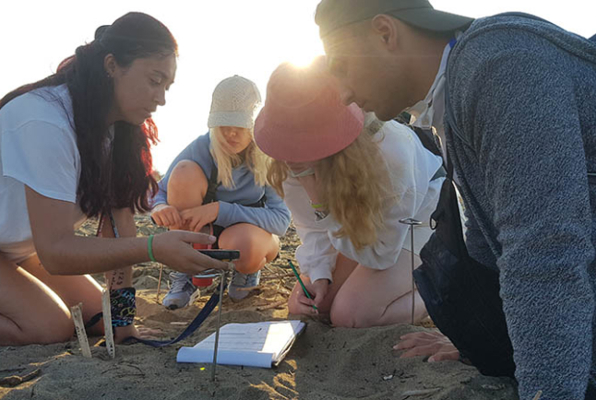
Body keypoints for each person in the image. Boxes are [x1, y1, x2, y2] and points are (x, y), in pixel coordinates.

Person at [314, 0, 596, 398]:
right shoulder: (454, 94)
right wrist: (479, 343)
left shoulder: (501, 68)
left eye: (341, 65)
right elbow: (493, 245)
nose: (342, 93)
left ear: (384, 33)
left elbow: (545, 255)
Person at [0, 12, 230, 346]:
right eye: (154, 80)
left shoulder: (115, 132)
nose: (162, 98)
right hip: (29, 249)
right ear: (111, 65)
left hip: (15, 251)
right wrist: (153, 249)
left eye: (167, 86)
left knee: (100, 318)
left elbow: (120, 228)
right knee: (50, 328)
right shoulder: (46, 120)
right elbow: (55, 251)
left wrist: (123, 324)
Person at [254, 58, 444, 327]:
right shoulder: (288, 159)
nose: (291, 154)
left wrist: (322, 204)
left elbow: (380, 254)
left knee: (350, 315)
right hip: (358, 230)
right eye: (287, 138)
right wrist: (319, 275)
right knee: (315, 306)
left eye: (301, 140)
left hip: (423, 218)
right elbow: (312, 227)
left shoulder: (391, 155)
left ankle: (441, 290)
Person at [151, 75, 291, 308]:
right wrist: (160, 207)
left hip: (248, 237)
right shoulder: (202, 147)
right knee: (184, 171)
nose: (231, 134)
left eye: (240, 126)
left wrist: (219, 210)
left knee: (242, 244)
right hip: (202, 235)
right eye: (224, 125)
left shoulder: (270, 154)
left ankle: (246, 271)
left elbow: (281, 221)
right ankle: (187, 274)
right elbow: (158, 191)